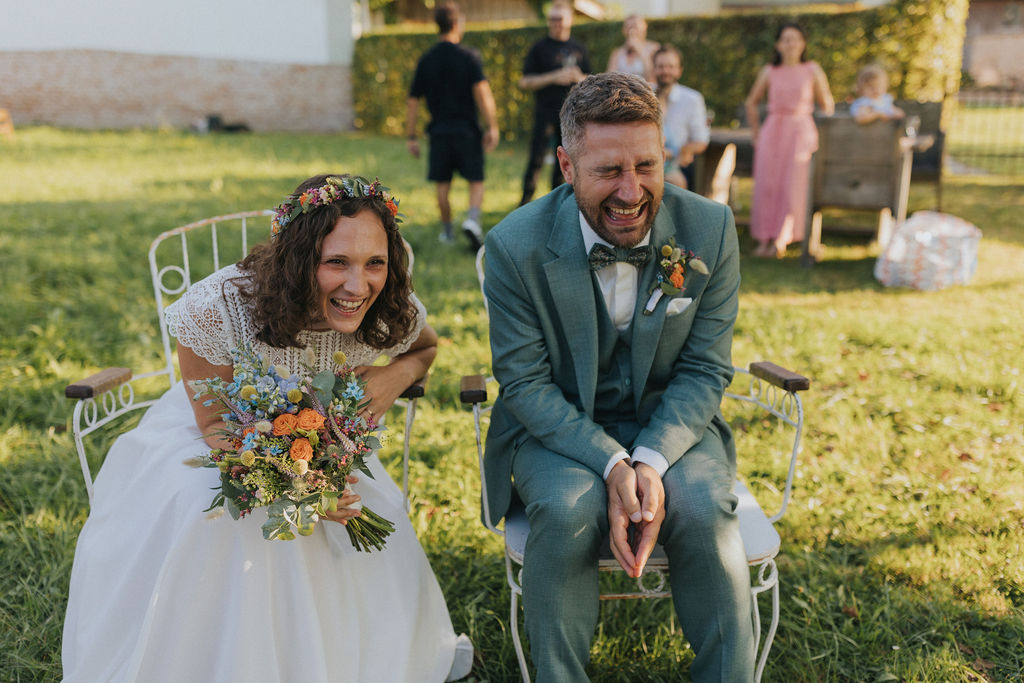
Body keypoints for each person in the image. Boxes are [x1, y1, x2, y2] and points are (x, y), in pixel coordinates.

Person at [62, 174, 473, 682]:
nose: (358, 285)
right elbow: (214, 424)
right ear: (299, 260)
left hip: (319, 441)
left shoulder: (384, 305)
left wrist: (397, 375)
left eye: (375, 262)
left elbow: (426, 345)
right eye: (336, 262)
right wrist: (303, 488)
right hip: (215, 440)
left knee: (352, 519)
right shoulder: (218, 308)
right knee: (214, 514)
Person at [484, 72, 753, 682]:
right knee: (567, 511)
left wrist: (651, 460)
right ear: (566, 165)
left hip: (674, 424)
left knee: (703, 507)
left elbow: (706, 367)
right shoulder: (514, 247)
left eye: (647, 165)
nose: (632, 192)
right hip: (557, 430)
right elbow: (524, 384)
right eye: (608, 171)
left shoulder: (709, 229)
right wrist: (610, 464)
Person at [406, 1, 499, 251]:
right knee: (476, 180)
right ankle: (473, 220)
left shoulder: (426, 60)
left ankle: (447, 232)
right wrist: (492, 126)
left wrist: (411, 136)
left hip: (439, 134)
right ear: (457, 24)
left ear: (437, 26)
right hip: (467, 132)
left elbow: (413, 101)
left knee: (442, 185)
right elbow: (483, 94)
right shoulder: (469, 57)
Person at [745, 22, 834, 258]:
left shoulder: (812, 70)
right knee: (768, 184)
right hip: (773, 131)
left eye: (795, 39)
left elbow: (827, 104)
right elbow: (751, 102)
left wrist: (820, 132)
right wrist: (756, 132)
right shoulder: (769, 71)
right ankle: (764, 237)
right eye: (785, 39)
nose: (790, 44)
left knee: (792, 185)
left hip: (800, 133)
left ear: (803, 43)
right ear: (778, 44)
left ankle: (782, 238)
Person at [517, 1, 591, 206]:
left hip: (572, 115)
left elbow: (590, 80)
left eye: (559, 19)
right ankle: (525, 203)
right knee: (536, 158)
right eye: (552, 19)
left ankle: (559, 204)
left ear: (570, 20)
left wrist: (578, 77)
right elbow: (524, 82)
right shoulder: (539, 48)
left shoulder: (579, 49)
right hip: (545, 112)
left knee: (565, 161)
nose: (555, 23)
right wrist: (553, 77)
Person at [652, 44, 710, 190]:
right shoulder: (644, 94)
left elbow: (701, 140)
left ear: (679, 70)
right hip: (647, 158)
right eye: (661, 66)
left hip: (676, 162)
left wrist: (687, 150)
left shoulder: (692, 99)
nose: (665, 71)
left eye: (671, 67)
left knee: (676, 182)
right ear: (654, 69)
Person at [605, 14, 659, 81]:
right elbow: (609, 78)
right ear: (623, 30)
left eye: (635, 26)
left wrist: (640, 50)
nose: (632, 31)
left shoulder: (654, 48)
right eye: (628, 27)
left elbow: (654, 79)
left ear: (644, 28)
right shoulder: (617, 52)